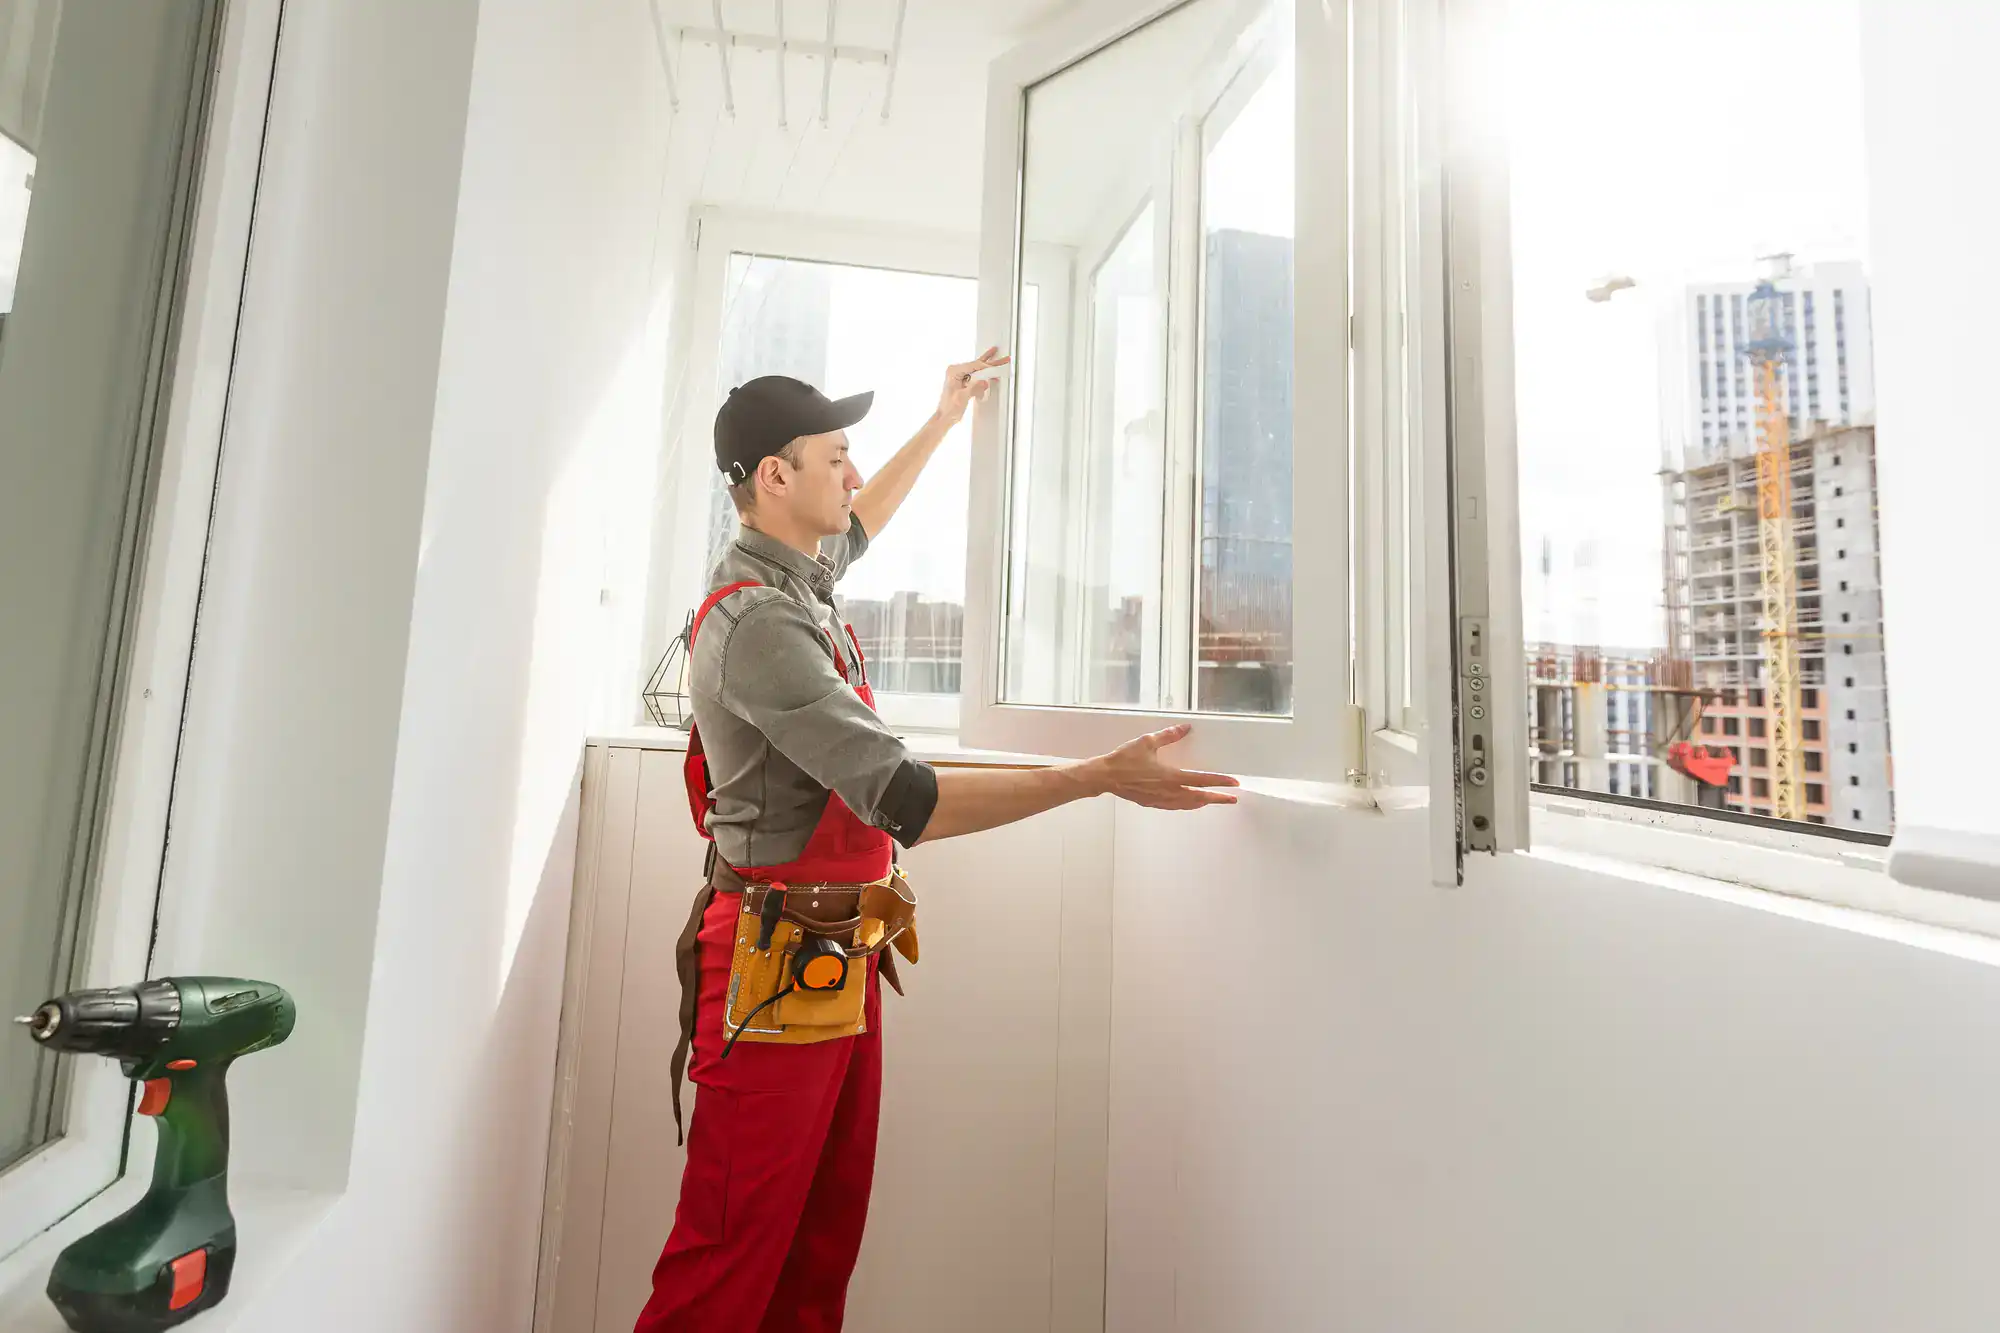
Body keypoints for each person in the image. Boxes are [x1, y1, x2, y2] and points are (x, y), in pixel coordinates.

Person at [634, 350, 1239, 1332]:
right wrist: (1096, 777)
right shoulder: (758, 627)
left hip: (830, 956)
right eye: (837, 457)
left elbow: (866, 522)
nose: (854, 475)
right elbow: (906, 800)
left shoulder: (797, 578)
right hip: (770, 967)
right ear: (773, 478)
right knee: (726, 1259)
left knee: (814, 1247)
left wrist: (944, 416)